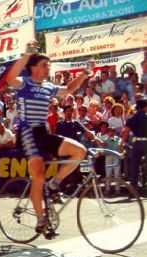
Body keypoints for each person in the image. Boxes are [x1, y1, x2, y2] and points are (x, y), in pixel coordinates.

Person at [6, 40, 92, 234]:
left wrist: (85, 73)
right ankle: (40, 219)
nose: (48, 69)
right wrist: (27, 55)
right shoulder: (24, 83)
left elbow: (69, 89)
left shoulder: (47, 86)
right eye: (44, 65)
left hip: (43, 133)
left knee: (80, 151)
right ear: (33, 68)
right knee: (38, 176)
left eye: (49, 66)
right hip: (27, 132)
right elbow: (10, 78)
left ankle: (54, 184)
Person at [123, 99, 147, 193]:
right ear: (144, 107)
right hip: (146, 143)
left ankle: (133, 190)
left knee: (134, 167)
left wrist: (121, 143)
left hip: (136, 143)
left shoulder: (131, 118)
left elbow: (126, 132)